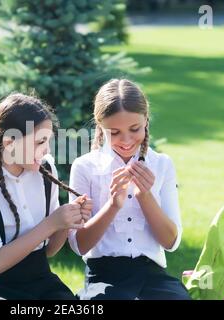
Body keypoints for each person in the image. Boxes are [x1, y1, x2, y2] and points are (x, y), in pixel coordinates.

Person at [0, 93, 92, 300]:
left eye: (48, 141)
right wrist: (51, 224)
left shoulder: (46, 170)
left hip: (38, 281)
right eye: (40, 141)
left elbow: (48, 252)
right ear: (10, 142)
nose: (46, 149)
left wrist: (67, 222)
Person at [68, 79, 191, 300]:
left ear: (146, 121)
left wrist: (145, 196)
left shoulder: (162, 164)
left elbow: (171, 242)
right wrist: (113, 205)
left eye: (134, 129)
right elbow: (79, 245)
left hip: (152, 273)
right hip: (103, 274)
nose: (126, 140)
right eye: (114, 132)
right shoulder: (85, 167)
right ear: (100, 127)